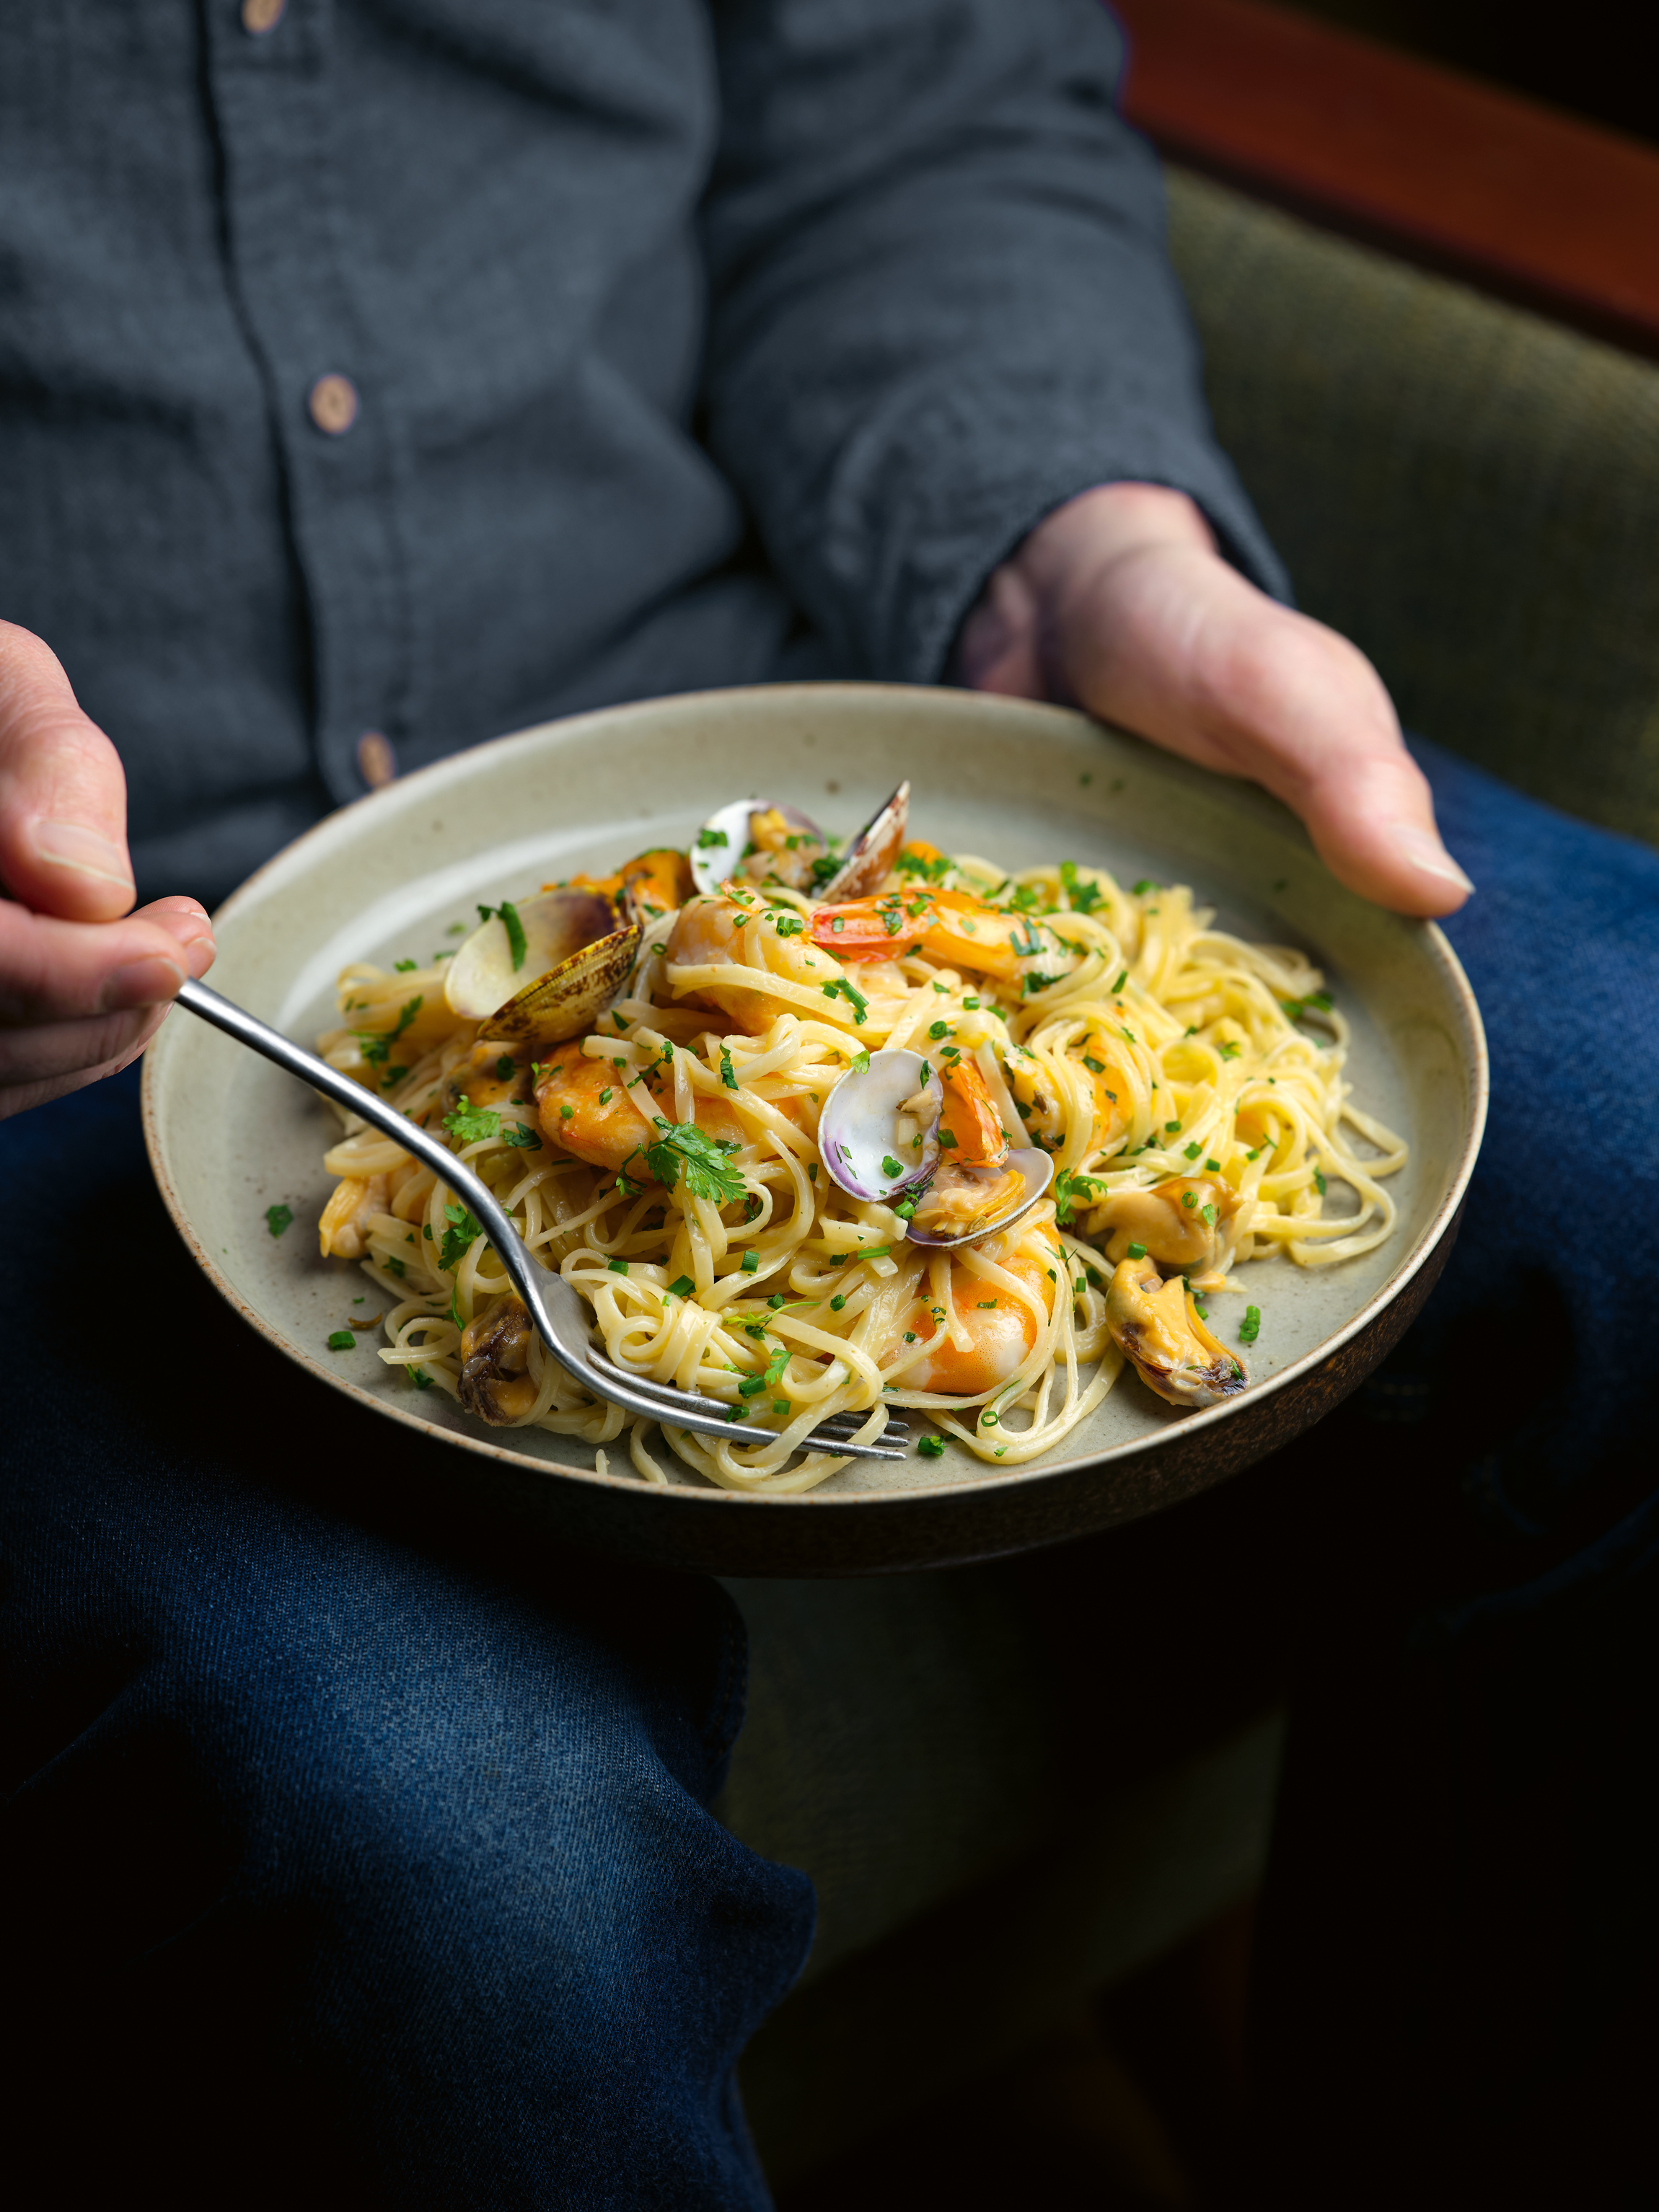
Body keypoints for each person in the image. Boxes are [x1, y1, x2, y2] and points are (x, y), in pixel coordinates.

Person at [2, 2, 1654, 2203]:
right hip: (101, 1006)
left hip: (799, 746)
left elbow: (919, 103)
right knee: (459, 1855)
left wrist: (1069, 557)